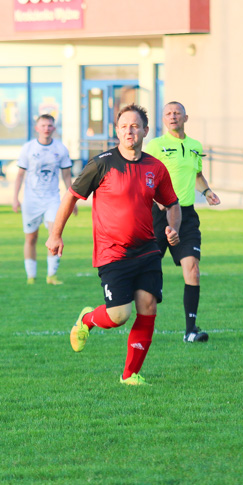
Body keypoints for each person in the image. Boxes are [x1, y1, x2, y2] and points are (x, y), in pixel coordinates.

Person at [46, 104, 180, 386]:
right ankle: (87, 320)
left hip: (148, 250)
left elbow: (172, 203)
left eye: (135, 126)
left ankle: (130, 375)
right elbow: (71, 197)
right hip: (113, 252)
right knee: (119, 315)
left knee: (148, 306)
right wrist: (55, 235)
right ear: (116, 131)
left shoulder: (155, 167)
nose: (129, 130)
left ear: (145, 130)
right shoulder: (102, 163)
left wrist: (173, 227)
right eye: (124, 126)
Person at [144, 101, 220, 343]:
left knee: (193, 270)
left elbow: (196, 174)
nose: (173, 116)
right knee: (148, 270)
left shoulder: (195, 146)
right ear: (163, 119)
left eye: (177, 113)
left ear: (186, 117)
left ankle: (190, 330)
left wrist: (207, 192)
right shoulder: (155, 146)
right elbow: (145, 176)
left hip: (186, 216)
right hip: (158, 214)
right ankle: (143, 325)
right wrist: (155, 198)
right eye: (168, 113)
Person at [12, 114, 74, 286]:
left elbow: (67, 176)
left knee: (55, 234)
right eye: (43, 125)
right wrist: (15, 198)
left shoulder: (60, 149)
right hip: (31, 201)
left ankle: (51, 275)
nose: (46, 128)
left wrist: (72, 200)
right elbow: (20, 175)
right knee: (31, 238)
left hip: (52, 199)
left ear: (54, 128)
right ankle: (31, 276)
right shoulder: (28, 148)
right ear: (37, 128)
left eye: (49, 125)